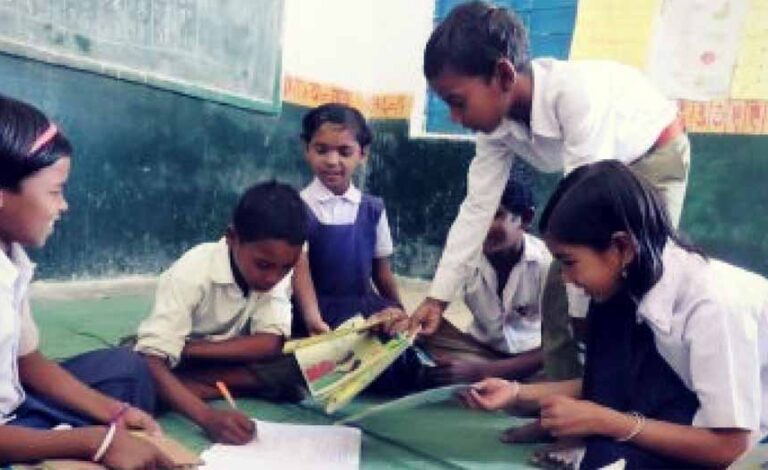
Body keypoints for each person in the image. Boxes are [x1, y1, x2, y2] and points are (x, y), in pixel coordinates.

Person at [401, 1, 691, 379]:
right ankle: (562, 389)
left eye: (458, 102)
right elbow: (477, 209)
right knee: (562, 287)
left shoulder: (575, 96)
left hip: (653, 157)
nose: (456, 118)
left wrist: (581, 317)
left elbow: (590, 217)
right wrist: (437, 298)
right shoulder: (496, 129)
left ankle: (626, 390)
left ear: (503, 75)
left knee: (634, 274)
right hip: (599, 171)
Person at [461, 160, 768, 468]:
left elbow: (731, 448)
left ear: (622, 247)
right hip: (696, 426)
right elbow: (611, 386)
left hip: (764, 449)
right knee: (603, 452)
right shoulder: (629, 286)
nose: (566, 278)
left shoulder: (713, 306)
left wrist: (607, 422)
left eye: (569, 262)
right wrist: (516, 393)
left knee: (605, 457)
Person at [0, 95, 172, 469]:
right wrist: (93, 442)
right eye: (54, 191)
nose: (64, 205)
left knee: (127, 371)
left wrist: (114, 413)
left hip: (14, 408)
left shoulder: (11, 257)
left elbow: (27, 362)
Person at [135, 181, 307, 445]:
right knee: (134, 370)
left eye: (286, 268)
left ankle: (184, 389)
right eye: (263, 265)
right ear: (232, 237)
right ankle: (192, 389)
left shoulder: (274, 270)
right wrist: (207, 418)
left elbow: (269, 342)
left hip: (208, 353)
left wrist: (189, 349)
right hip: (173, 356)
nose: (273, 277)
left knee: (300, 362)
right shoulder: (192, 273)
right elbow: (152, 358)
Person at [422, 164, 545, 385]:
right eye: (478, 215)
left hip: (529, 360)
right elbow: (433, 311)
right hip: (476, 350)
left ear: (525, 219)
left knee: (567, 372)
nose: (483, 227)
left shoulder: (547, 264)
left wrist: (482, 372)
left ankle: (495, 382)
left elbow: (557, 347)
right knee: (423, 331)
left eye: (496, 215)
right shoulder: (461, 256)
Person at [292, 103, 405, 335]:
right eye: (321, 150)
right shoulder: (296, 207)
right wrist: (313, 320)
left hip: (365, 314)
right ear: (306, 149)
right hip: (315, 316)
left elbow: (382, 273)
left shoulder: (373, 209)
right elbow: (300, 274)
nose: (332, 161)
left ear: (362, 153)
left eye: (345, 152)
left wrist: (400, 310)